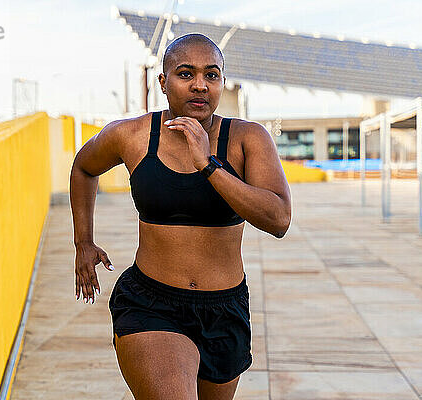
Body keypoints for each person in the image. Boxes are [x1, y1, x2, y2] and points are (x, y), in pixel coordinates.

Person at [70, 33, 291, 400]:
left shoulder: (247, 138)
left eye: (212, 75)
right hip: (151, 304)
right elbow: (83, 167)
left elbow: (279, 218)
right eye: (186, 74)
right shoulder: (133, 135)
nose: (200, 85)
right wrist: (83, 241)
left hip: (225, 309)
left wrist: (208, 164)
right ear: (163, 81)